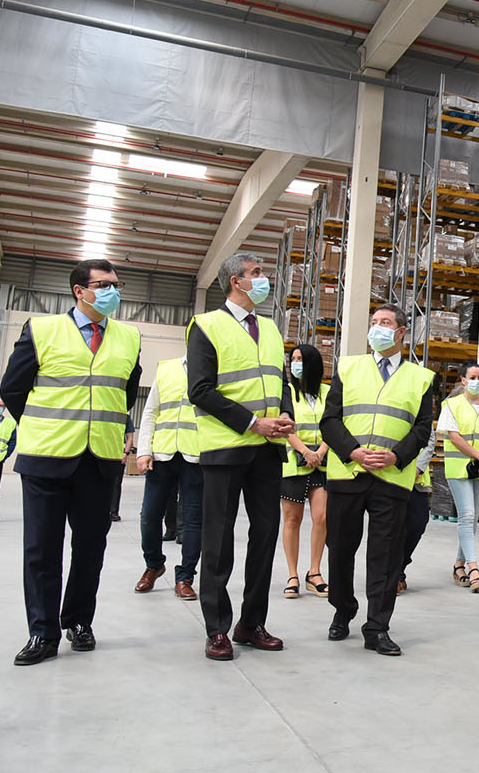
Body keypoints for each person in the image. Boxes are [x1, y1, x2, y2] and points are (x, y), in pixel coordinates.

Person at [0, 258, 142, 666]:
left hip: (99, 459)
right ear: (80, 291)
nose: (113, 291)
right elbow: (13, 389)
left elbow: (125, 393)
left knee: (91, 548)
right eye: (104, 284)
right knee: (42, 550)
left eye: (117, 284)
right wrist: (47, 426)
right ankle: (41, 632)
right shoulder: (42, 330)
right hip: (46, 458)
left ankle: (79, 621)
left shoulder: (129, 337)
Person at [187, 253, 294, 661]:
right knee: (218, 540)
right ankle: (217, 628)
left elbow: (280, 381)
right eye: (257, 274)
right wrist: (252, 423)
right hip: (227, 448)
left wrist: (285, 413)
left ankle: (252, 623)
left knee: (265, 537)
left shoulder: (269, 328)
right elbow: (200, 390)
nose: (264, 279)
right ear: (236, 282)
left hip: (268, 450)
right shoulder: (206, 326)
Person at [320, 305, 437, 655]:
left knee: (385, 555)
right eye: (373, 323)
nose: (377, 328)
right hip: (348, 472)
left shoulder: (421, 377)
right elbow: (330, 420)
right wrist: (353, 452)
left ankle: (377, 627)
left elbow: (422, 428)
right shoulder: (348, 367)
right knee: (340, 548)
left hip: (392, 477)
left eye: (385, 323)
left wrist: (396, 456)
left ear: (401, 332)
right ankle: (343, 609)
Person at [133, 356, 204, 600]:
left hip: (195, 457)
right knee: (149, 516)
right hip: (161, 455)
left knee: (194, 521)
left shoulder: (212, 369)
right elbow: (151, 411)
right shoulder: (167, 369)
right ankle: (153, 564)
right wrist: (144, 451)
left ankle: (185, 577)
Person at [441, 363, 479, 593]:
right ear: (463, 380)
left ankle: (459, 565)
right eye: (472, 377)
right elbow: (454, 437)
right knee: (466, 515)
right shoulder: (451, 405)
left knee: (472, 519)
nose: (477, 381)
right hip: (460, 467)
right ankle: (473, 567)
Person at [279, 344, 330, 600]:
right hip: (293, 464)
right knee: (292, 520)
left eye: (300, 359)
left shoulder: (328, 392)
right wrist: (304, 452)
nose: (295, 363)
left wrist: (319, 452)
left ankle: (314, 572)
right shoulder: (286, 392)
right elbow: (285, 426)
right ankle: (292, 574)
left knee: (321, 517)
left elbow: (334, 423)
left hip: (322, 464)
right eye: (293, 359)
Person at [398, 429, 438, 595]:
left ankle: (399, 566)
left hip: (416, 479)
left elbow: (429, 441)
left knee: (417, 523)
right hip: (391, 474)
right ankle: (393, 575)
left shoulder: (421, 403)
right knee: (393, 527)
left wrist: (418, 469)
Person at [110, 417, 134, 522]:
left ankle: (114, 512)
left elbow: (130, 437)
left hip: (119, 453)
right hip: (104, 451)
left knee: (116, 484)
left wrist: (126, 453)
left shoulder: (125, 417)